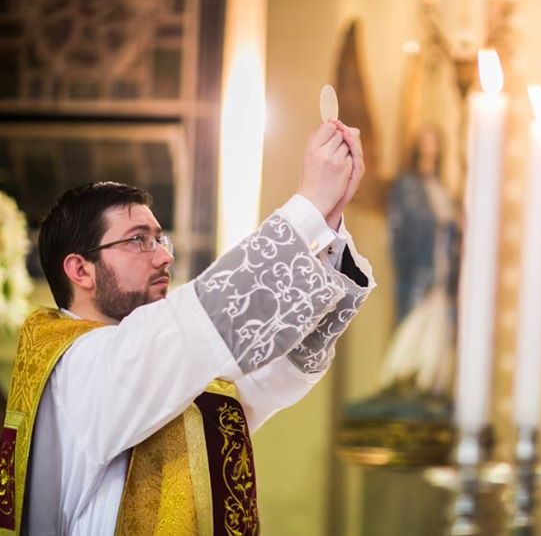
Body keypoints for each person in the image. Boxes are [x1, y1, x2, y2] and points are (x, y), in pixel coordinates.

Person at [0, 120, 374, 534]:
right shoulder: (76, 368)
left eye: (161, 240)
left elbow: (268, 376)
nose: (163, 258)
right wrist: (308, 206)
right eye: (138, 240)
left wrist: (326, 223)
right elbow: (189, 329)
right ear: (80, 270)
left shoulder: (171, 371)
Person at [379, 125, 460, 394]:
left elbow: (450, 225)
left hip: (441, 268)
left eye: (434, 144)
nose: (430, 150)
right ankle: (402, 374)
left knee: (438, 325)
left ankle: (428, 381)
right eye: (425, 143)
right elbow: (401, 230)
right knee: (415, 323)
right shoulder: (408, 186)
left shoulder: (439, 188)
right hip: (419, 270)